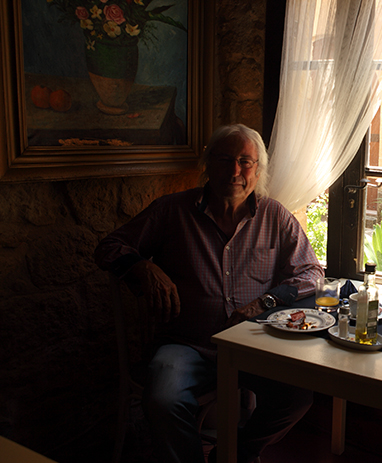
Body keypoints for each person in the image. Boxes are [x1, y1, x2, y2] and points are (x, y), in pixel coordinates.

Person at [95, 124, 324, 463]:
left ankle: (235, 453)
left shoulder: (274, 216)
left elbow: (311, 273)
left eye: (246, 162)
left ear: (257, 170)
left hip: (252, 344)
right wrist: (143, 267)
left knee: (298, 395)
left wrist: (266, 302)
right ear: (208, 163)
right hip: (186, 343)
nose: (235, 171)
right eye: (225, 160)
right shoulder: (172, 210)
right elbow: (109, 246)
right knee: (162, 400)